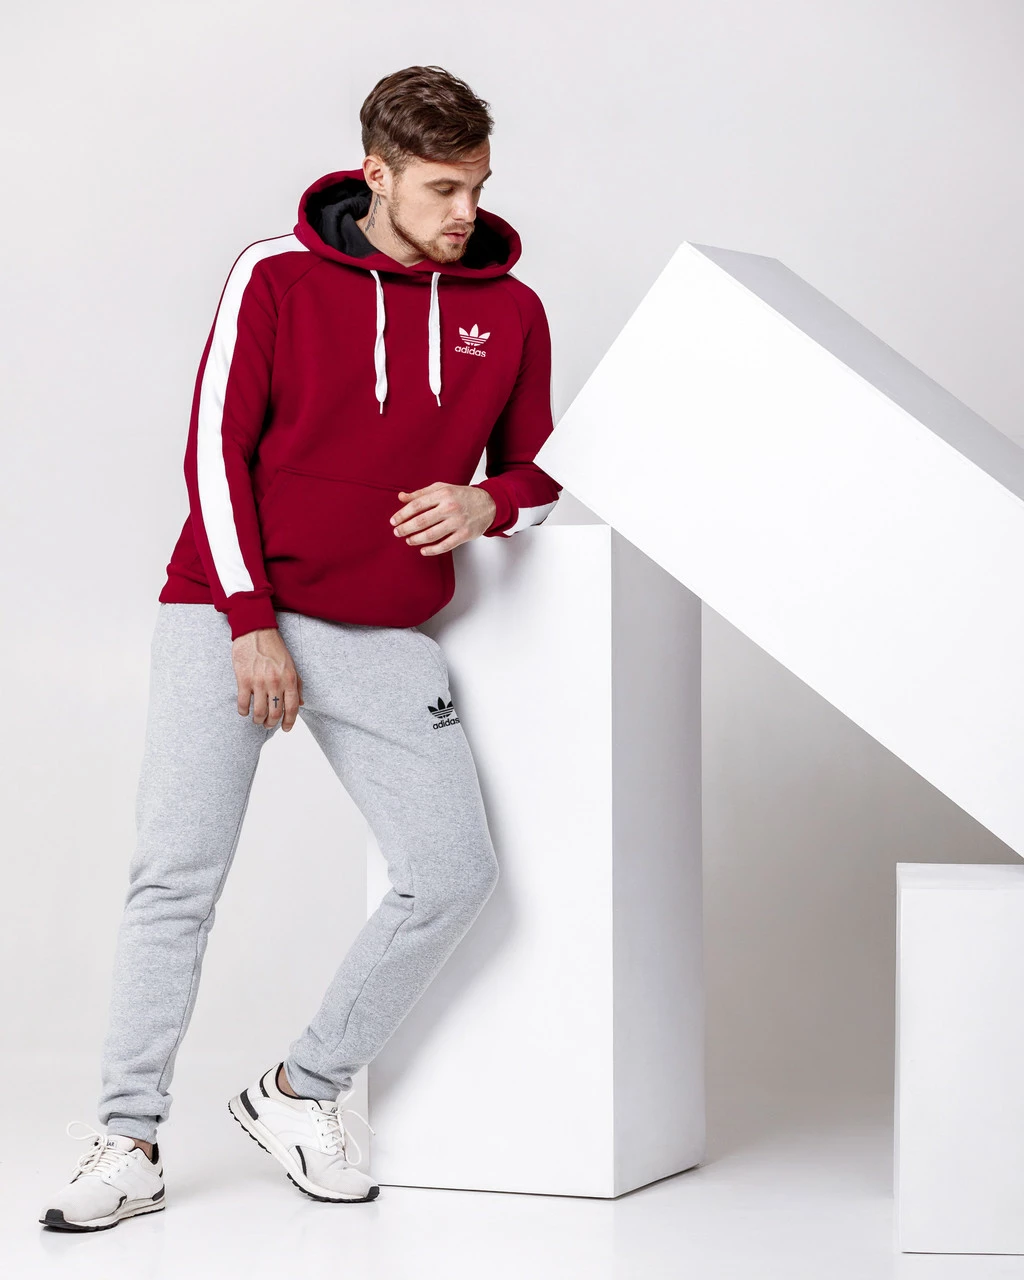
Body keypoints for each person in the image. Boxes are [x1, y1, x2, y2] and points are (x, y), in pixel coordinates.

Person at [39, 63, 562, 1232]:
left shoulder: (512, 310)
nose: (465, 211)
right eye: (441, 188)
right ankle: (128, 1137)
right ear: (376, 172)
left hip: (382, 625)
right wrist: (248, 620)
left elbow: (538, 467)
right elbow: (211, 450)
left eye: (477, 186)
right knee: (176, 875)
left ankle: (298, 1088)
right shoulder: (274, 274)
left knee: (452, 871)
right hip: (228, 609)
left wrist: (487, 502)